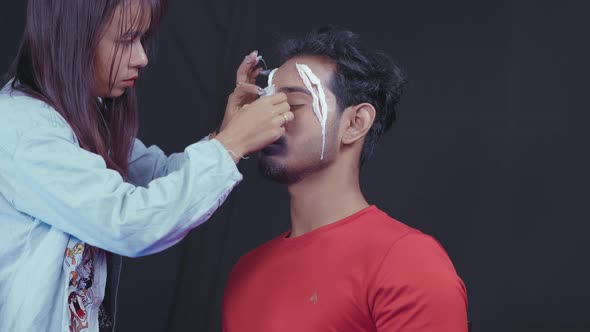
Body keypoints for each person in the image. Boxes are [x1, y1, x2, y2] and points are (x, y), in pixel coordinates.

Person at [0, 0, 293, 331]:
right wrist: (231, 145)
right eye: (126, 40)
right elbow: (130, 220)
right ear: (70, 37)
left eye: (142, 39)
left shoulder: (81, 117)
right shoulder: (24, 129)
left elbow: (159, 177)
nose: (141, 57)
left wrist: (226, 136)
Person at [222, 27, 468, 331]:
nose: (269, 119)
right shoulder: (246, 272)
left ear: (355, 123)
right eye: (264, 105)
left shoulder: (407, 261)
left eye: (293, 105)